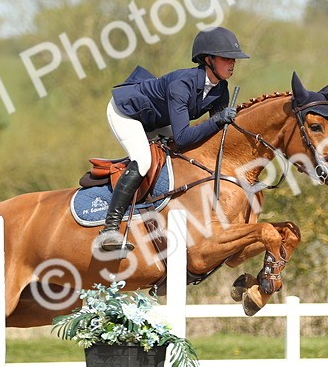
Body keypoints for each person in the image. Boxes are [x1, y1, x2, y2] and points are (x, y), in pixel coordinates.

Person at [93, 26, 250, 257]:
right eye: (227, 58)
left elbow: (215, 140)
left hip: (156, 118)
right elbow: (184, 136)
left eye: (233, 59)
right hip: (127, 112)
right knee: (143, 160)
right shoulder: (182, 84)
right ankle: (109, 229)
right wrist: (217, 120)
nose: (232, 63)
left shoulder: (221, 90)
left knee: (184, 156)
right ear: (208, 60)